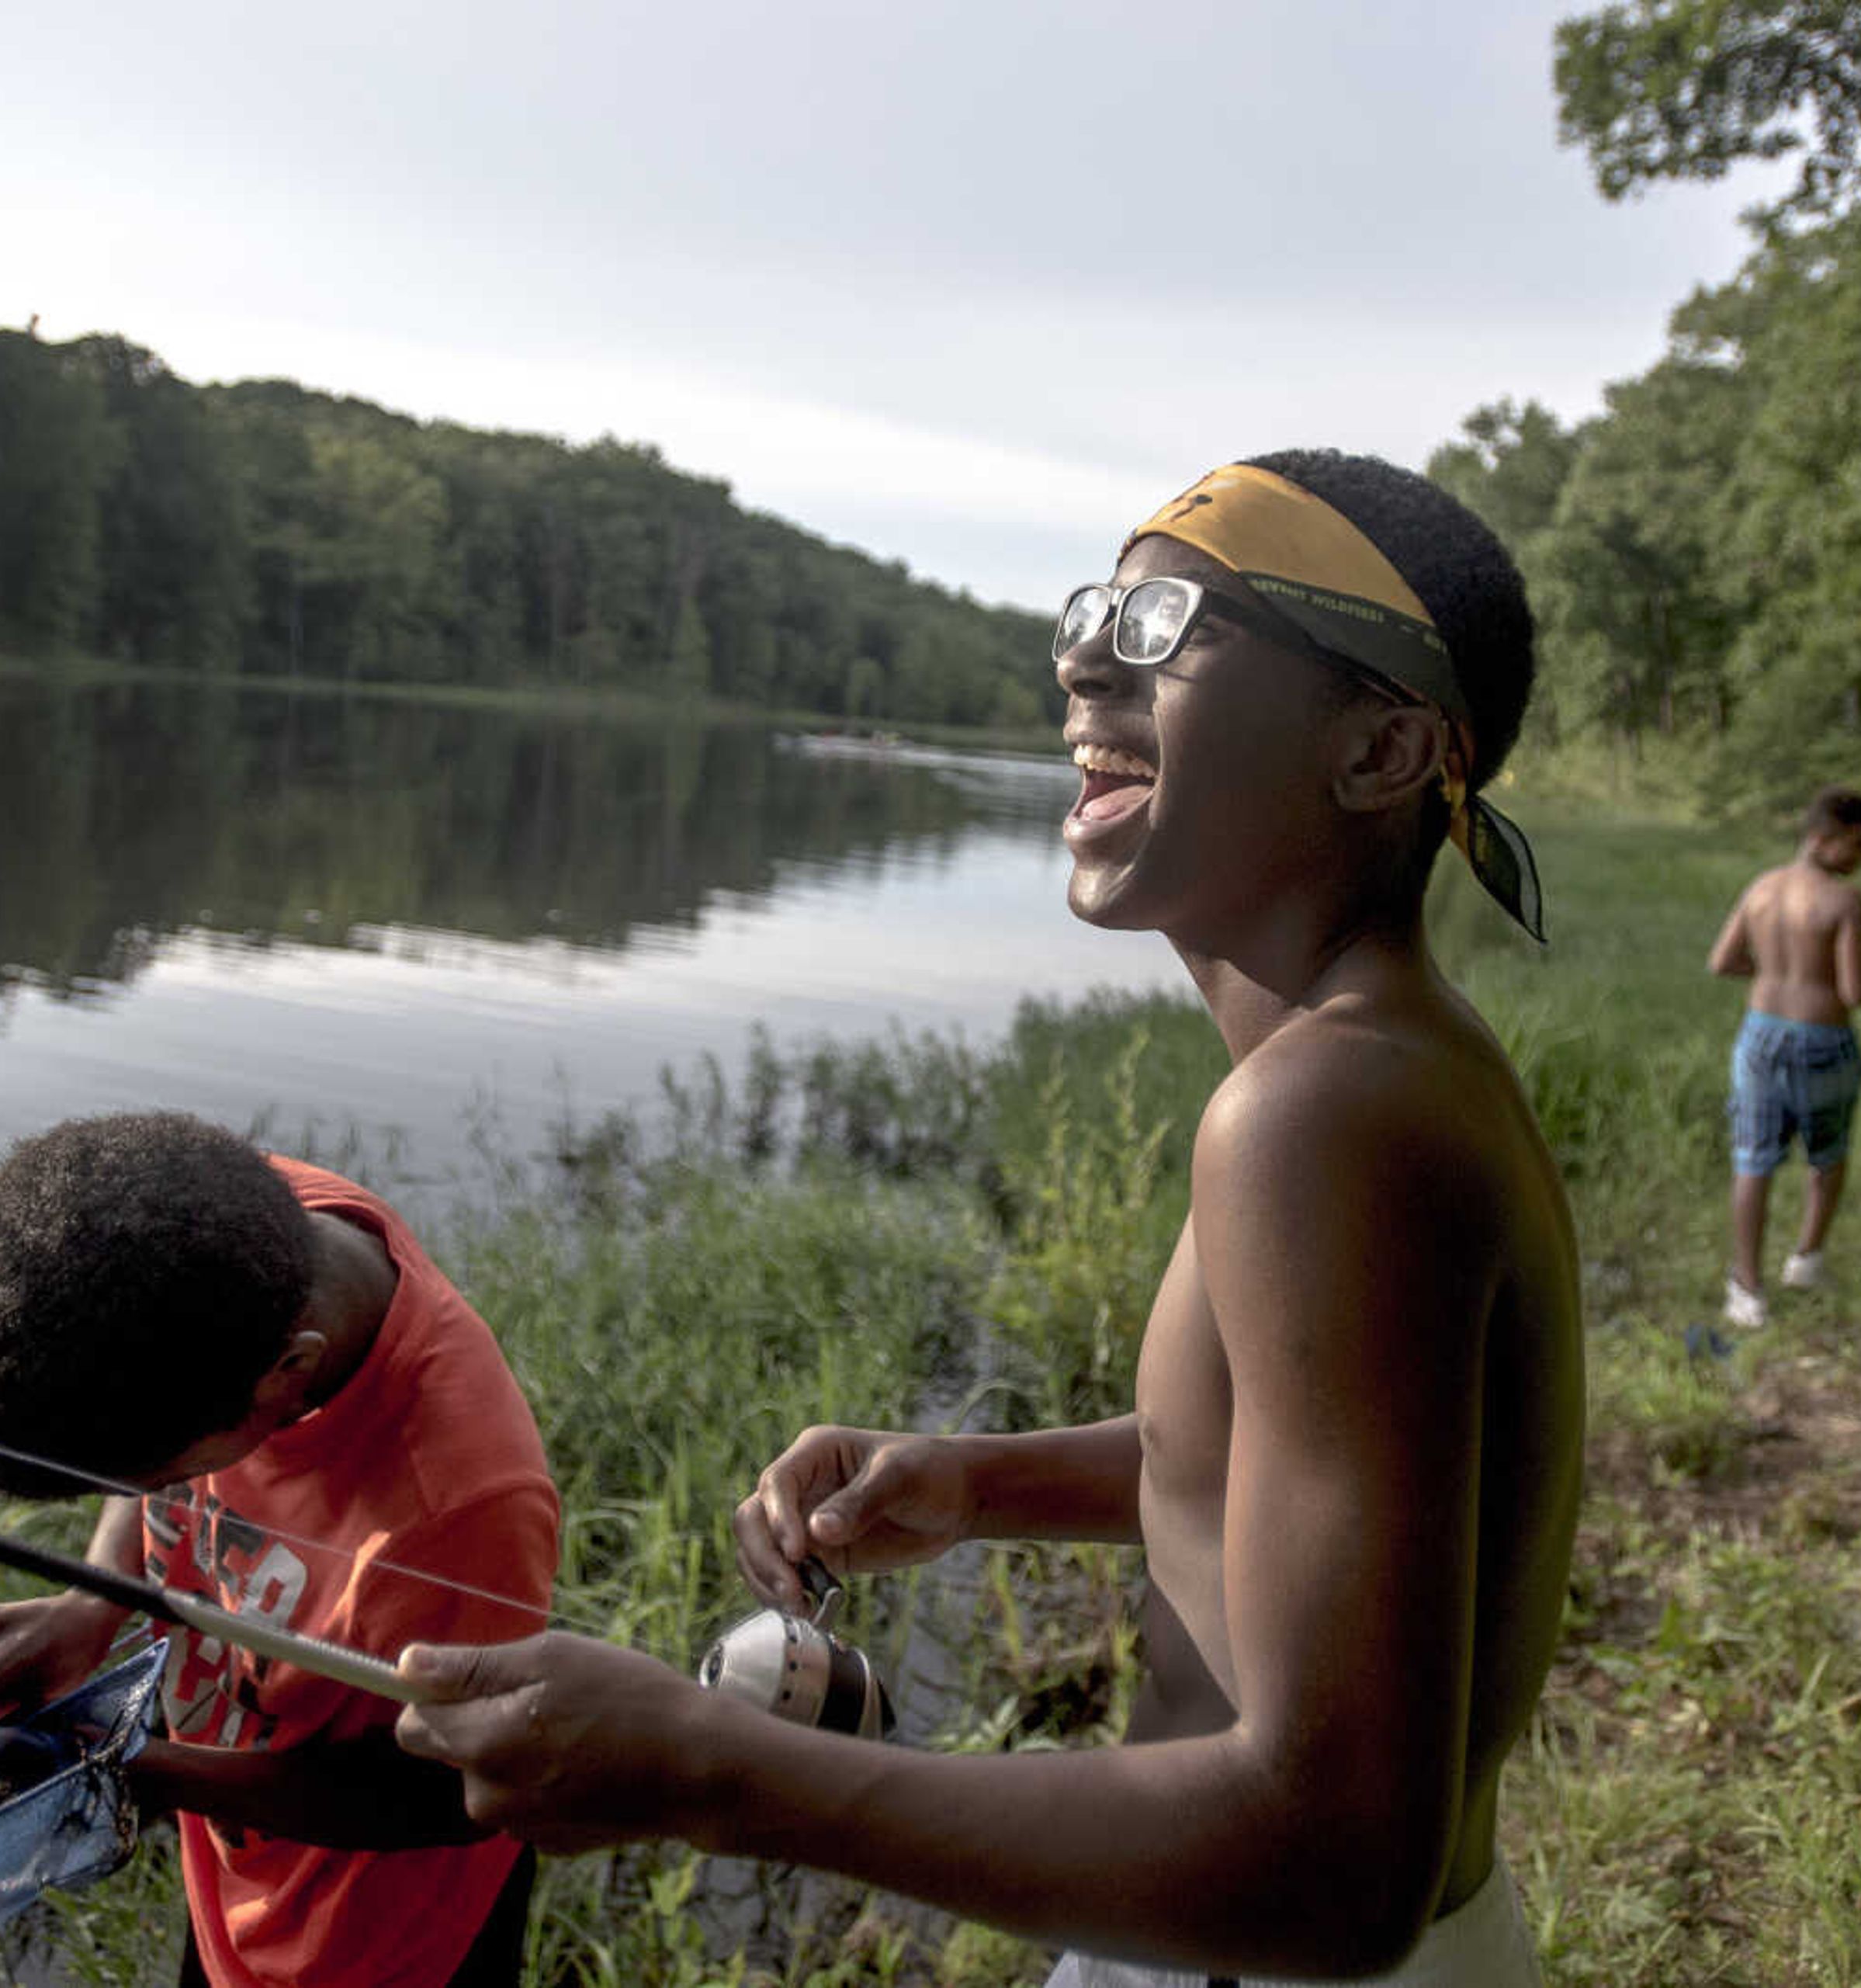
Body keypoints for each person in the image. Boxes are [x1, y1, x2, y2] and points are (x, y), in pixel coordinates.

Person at [393, 452, 1585, 1985]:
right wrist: (973, 1476)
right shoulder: (1361, 1071)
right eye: (1094, 609)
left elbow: (1338, 1866)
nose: (1081, 655)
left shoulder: (1322, 1114)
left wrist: (716, 1768)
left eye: (1167, 625)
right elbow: (1264, 1460)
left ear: (1381, 745)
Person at [0, 1111, 562, 1987]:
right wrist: (92, 1601)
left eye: (154, 1469)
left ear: (285, 1372)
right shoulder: (231, 1227)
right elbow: (155, 1468)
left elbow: (451, 1793)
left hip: (377, 1943)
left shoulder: (461, 1502)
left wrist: (145, 1771)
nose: (143, 1493)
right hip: (237, 1874)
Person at [1707, 786, 1861, 1330]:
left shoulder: (1762, 887)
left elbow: (1723, 961)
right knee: (1827, 1154)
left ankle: (1746, 1287)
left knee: (1753, 1159)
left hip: (1758, 1037)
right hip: (1823, 1043)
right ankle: (1805, 1258)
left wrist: (1775, 975)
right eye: (1856, 843)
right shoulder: (1844, 901)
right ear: (1824, 838)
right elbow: (1855, 991)